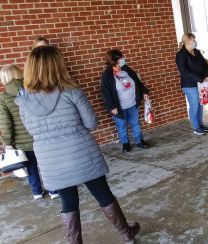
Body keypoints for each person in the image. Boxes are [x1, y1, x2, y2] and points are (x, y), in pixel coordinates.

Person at [15, 46, 140, 244]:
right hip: (81, 152)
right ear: (58, 66)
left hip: (50, 158)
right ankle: (127, 234)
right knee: (103, 194)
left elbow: (32, 131)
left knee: (68, 202)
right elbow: (91, 123)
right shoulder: (71, 91)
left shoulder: (22, 102)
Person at [0, 64, 59, 200]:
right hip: (41, 136)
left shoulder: (3, 98)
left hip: (22, 142)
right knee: (47, 165)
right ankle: (54, 191)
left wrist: (8, 144)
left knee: (31, 168)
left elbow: (6, 124)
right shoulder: (33, 90)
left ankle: (37, 192)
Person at [101, 49, 150, 152]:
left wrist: (144, 92)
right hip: (119, 108)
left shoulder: (126, 69)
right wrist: (111, 107)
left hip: (132, 103)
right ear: (114, 61)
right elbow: (106, 93)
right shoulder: (107, 75)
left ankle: (139, 141)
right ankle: (125, 144)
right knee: (122, 126)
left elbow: (137, 82)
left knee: (135, 123)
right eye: (120, 58)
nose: (123, 59)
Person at [176, 33, 208, 135]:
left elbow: (204, 64)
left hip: (201, 83)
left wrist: (207, 76)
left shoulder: (197, 52)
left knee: (200, 105)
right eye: (193, 40)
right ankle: (196, 127)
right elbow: (184, 71)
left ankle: (200, 124)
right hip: (189, 85)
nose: (195, 42)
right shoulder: (181, 55)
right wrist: (201, 78)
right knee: (194, 105)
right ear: (187, 41)